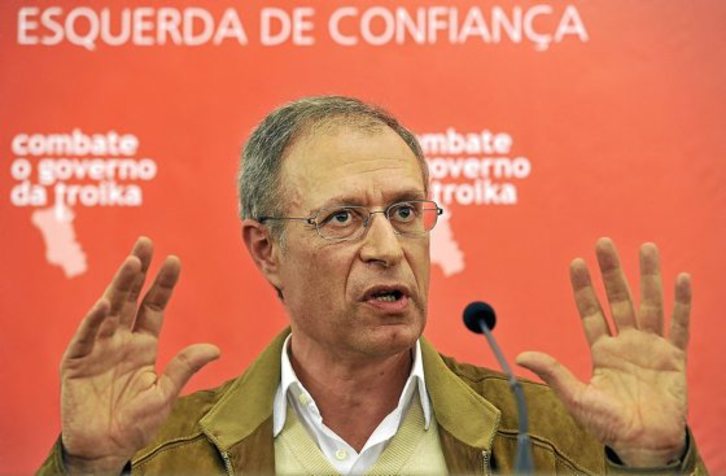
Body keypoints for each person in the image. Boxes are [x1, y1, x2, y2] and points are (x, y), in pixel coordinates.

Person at [40, 96, 706, 474]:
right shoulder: (159, 453)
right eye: (343, 218)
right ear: (268, 250)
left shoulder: (552, 437)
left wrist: (654, 464)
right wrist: (88, 468)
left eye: (406, 212)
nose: (388, 249)